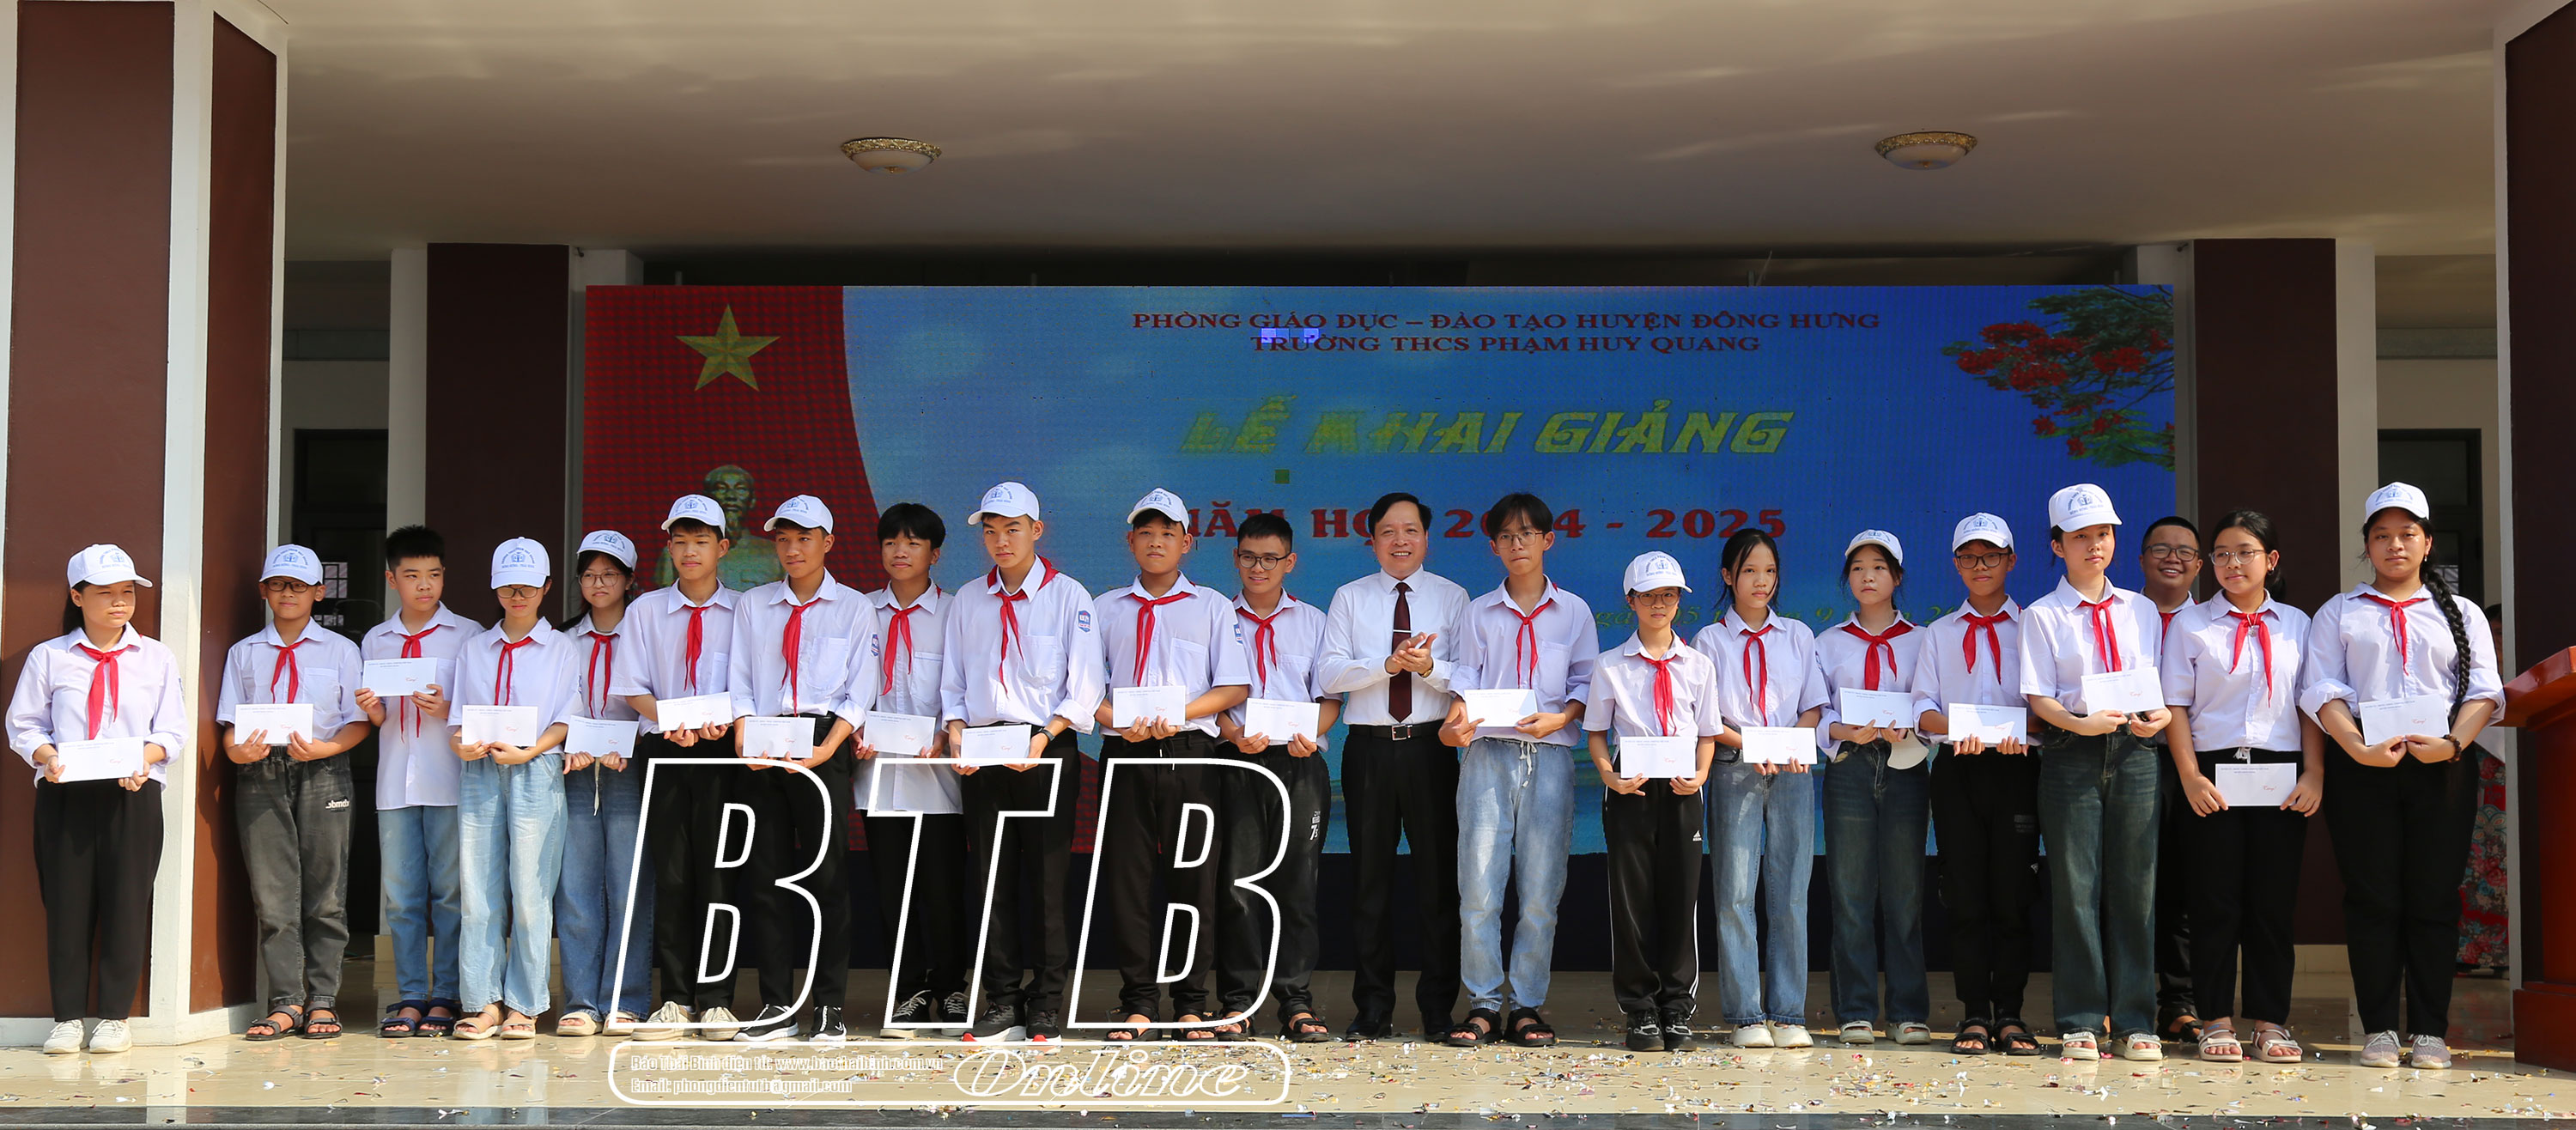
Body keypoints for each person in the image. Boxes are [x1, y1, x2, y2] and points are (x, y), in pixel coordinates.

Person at [2301, 482, 2503, 1070]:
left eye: (2407, 534)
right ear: (2367, 545)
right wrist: (2355, 747)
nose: (2395, 545)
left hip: (2442, 767)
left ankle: (2431, 1031)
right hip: (2363, 765)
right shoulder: (2340, 611)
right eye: (2382, 535)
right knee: (2372, 898)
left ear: (2427, 542)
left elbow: (2485, 691)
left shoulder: (2462, 612)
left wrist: (2453, 744)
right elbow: (2321, 689)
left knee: (2434, 896)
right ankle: (2380, 1029)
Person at [941, 481, 1106, 1042]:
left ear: (1037, 530)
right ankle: (1002, 999)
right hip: (984, 748)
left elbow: (1085, 685)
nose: (1001, 541)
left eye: (1012, 529)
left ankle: (1047, 1002)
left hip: (1044, 747)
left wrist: (1046, 736)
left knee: (1047, 880)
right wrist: (957, 733)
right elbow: (954, 681)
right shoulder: (969, 599)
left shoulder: (1068, 596)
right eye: (991, 531)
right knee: (991, 879)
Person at [2159, 509, 2321, 1064]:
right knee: (2214, 902)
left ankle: (2271, 1022)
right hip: (2213, 775)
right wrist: (2190, 776)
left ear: (2270, 560)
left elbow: (2312, 704)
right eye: (2222, 553)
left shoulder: (2298, 624)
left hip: (2281, 776)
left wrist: (2314, 773)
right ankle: (2215, 1020)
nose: (2232, 563)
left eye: (2245, 552)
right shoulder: (2191, 625)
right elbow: (2176, 705)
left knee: (2272, 904)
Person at [11, 544, 185, 1055]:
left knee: (127, 903)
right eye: (106, 593)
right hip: (66, 794)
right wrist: (47, 757)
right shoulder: (50, 657)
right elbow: (24, 724)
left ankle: (113, 1017)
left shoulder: (156, 657)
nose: (119, 602)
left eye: (127, 592)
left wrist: (143, 761)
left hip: (133, 793)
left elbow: (171, 731)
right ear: (77, 597)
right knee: (66, 905)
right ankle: (67, 1019)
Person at [1092, 489, 1252, 1041]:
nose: (1156, 542)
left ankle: (1191, 1002)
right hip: (1126, 756)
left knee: (1195, 880)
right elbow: (1084, 689)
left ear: (1187, 543)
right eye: (1146, 532)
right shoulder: (1104, 609)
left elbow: (1233, 685)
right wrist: (1118, 720)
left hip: (1192, 757)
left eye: (1168, 533)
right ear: (1130, 541)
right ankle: (1138, 1003)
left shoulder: (1212, 606)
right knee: (1128, 880)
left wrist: (1179, 714)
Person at [2020, 483, 2170, 1061]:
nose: (2095, 545)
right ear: (2057, 546)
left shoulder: (2141, 609)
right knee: (2075, 887)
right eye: (2081, 536)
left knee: (2136, 887)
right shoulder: (2043, 614)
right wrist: (2081, 726)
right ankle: (2081, 1019)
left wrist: (2157, 716)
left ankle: (2135, 1020)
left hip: (2134, 753)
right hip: (2070, 753)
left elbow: (2153, 685)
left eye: (2103, 534)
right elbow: (2038, 697)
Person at [1442, 491, 1595, 1048]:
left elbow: (1584, 683)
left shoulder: (1574, 612)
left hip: (1549, 759)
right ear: (1494, 547)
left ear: (1548, 540)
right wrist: (1454, 725)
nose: (1516, 544)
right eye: (1505, 536)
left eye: (1526, 534)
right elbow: (1465, 681)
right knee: (1479, 889)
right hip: (1487, 756)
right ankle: (1483, 1004)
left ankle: (1527, 1005)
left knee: (1539, 892)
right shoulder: (1479, 612)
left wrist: (1562, 717)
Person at [1320, 491, 1472, 1042]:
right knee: (1370, 884)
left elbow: (1470, 674)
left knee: (1438, 883)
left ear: (1427, 538)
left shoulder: (1453, 598)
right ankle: (1372, 1008)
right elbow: (1329, 674)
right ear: (1373, 541)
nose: (1400, 541)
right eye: (1388, 531)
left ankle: (1438, 1010)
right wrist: (1385, 665)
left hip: (1432, 748)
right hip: (1369, 750)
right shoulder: (1350, 597)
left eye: (1411, 530)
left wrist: (1428, 667)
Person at [726, 495, 879, 1042]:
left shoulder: (855, 608)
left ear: (828, 543)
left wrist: (828, 747)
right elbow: (740, 678)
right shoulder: (754, 605)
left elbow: (861, 689)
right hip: (765, 739)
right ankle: (777, 1005)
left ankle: (830, 1005)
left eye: (804, 539)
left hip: (822, 741)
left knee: (826, 877)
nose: (792, 549)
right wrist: (743, 734)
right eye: (784, 540)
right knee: (765, 875)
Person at [218, 544, 371, 1041]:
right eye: (279, 585)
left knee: (326, 891)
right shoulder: (244, 653)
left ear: (318, 593)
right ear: (264, 591)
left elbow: (359, 721)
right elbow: (230, 724)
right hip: (260, 772)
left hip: (324, 769)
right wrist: (237, 752)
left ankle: (323, 1000)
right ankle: (285, 1001)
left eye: (299, 586)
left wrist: (327, 748)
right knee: (273, 895)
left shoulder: (342, 651)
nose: (288, 594)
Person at [1911, 513, 2042, 1056]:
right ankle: (1973, 1014)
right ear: (1956, 564)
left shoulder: (2035, 625)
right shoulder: (1940, 632)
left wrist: (2025, 732)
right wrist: (1956, 728)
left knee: (2012, 894)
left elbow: (2049, 705)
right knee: (1963, 893)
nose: (1980, 566)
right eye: (1969, 557)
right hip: (1958, 769)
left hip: (2017, 768)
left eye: (1991, 556)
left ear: (2011, 561)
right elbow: (1922, 709)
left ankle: (2010, 1013)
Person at [1693, 528, 1829, 1049]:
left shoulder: (1798, 635)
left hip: (1792, 770)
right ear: (1728, 576)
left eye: (1769, 571)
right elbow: (1708, 718)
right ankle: (1747, 1014)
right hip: (1735, 767)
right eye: (1749, 570)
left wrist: (1791, 741)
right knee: (1735, 892)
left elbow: (1813, 705)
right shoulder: (1710, 641)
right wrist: (1752, 744)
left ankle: (1789, 1013)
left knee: (1791, 891)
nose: (1761, 581)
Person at [1585, 551, 1724, 1053]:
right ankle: (1640, 1007)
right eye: (1649, 596)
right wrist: (1610, 775)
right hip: (1632, 786)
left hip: (1683, 786)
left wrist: (1701, 774)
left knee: (1681, 896)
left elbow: (1707, 733)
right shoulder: (1610, 665)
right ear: (1631, 601)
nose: (1660, 604)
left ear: (1680, 601)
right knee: (1631, 898)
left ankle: (1676, 1005)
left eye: (1669, 595)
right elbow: (1596, 733)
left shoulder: (1699, 665)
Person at [623, 495, 749, 1042]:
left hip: (723, 753)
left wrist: (727, 721)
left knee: (720, 874)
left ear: (724, 547)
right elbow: (632, 687)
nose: (690, 551)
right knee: (672, 875)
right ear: (669, 547)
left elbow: (752, 684)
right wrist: (670, 720)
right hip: (666, 751)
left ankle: (717, 999)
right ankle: (674, 998)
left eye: (701, 541)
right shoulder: (646, 611)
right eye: (680, 541)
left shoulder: (745, 610)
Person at [1212, 512, 1339, 1042]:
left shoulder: (1314, 621)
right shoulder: (1217, 616)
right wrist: (1231, 733)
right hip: (1238, 761)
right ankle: (1239, 1000)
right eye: (1248, 557)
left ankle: (1295, 1000)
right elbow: (1209, 694)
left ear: (1290, 562)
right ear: (1235, 558)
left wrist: (1311, 732)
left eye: (1270, 558)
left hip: (1299, 762)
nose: (1258, 568)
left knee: (1297, 884)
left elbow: (1329, 697)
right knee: (1236, 883)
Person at [447, 538, 580, 1041]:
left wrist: (529, 751)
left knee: (530, 891)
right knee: (479, 891)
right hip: (480, 770)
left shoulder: (562, 648)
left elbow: (567, 717)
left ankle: (525, 1003)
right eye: (507, 588)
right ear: (494, 588)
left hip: (536, 769)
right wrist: (461, 745)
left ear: (546, 588)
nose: (517, 597)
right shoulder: (474, 648)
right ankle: (483, 1001)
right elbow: (458, 718)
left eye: (526, 588)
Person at [355, 526, 480, 1038]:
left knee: (450, 894)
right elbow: (380, 719)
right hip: (394, 783)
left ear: (444, 576)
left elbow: (482, 709)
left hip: (448, 780)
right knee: (402, 897)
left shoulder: (468, 635)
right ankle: (409, 995)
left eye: (433, 575)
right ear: (392, 580)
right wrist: (373, 710)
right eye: (411, 576)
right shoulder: (376, 640)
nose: (424, 585)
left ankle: (446, 995)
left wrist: (449, 709)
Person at [1814, 530, 1931, 1047]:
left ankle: (1907, 1012)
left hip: (1906, 766)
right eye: (1858, 568)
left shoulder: (1923, 639)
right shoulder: (1828, 642)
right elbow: (1817, 712)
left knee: (1905, 894)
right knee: (1850, 893)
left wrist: (1914, 726)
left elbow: (1930, 703)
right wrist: (1844, 730)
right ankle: (1856, 1010)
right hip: (1850, 767)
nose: (1868, 577)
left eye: (1879, 568)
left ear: (1897, 577)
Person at [861, 502, 970, 1039]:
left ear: (935, 553)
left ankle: (951, 987)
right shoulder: (861, 612)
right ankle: (906, 991)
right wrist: (851, 731)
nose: (900, 552)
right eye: (890, 542)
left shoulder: (956, 613)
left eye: (912, 543)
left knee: (944, 890)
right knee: (892, 892)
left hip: (940, 777)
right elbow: (847, 686)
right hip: (879, 777)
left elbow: (965, 685)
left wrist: (946, 734)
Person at [553, 530, 652, 1038]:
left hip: (629, 770)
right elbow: (553, 701)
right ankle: (581, 1001)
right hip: (574, 772)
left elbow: (656, 697)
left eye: (609, 575)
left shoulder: (645, 633)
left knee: (628, 886)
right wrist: (566, 743)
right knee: (576, 888)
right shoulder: (562, 640)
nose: (598, 584)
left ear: (629, 580)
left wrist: (631, 742)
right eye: (589, 575)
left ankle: (625, 1000)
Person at [2138, 515, 2206, 1045]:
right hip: (2126, 756)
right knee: (2126, 884)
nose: (2173, 559)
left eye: (2185, 552)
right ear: (2141, 559)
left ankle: (2179, 1002)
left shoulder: (2209, 624)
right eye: (2161, 549)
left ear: (2200, 565)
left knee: (2185, 883)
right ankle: (2123, 1000)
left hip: (2192, 767)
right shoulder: (2118, 615)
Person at [653, 464, 787, 591]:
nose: (731, 496)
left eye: (741, 489)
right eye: (721, 489)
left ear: (752, 500)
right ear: (707, 497)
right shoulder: (677, 553)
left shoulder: (775, 553)